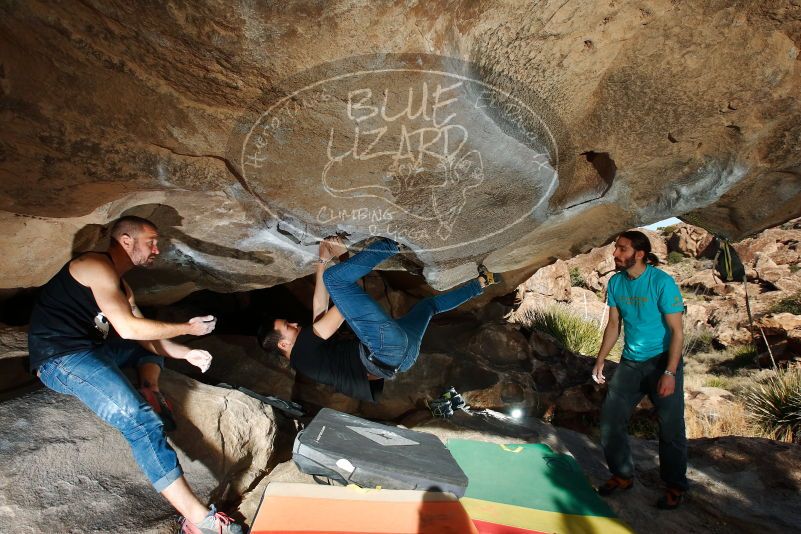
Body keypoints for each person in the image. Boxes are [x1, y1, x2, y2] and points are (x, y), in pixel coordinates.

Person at [28, 216, 242, 534]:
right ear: (127, 240)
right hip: (61, 360)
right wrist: (188, 328)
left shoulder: (121, 283)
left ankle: (149, 388)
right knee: (140, 423)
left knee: (148, 352)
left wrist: (186, 352)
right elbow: (128, 329)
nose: (157, 248)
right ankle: (201, 522)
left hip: (93, 352)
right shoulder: (94, 265)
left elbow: (145, 337)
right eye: (151, 241)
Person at [259, 237, 500, 401]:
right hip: (384, 350)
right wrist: (342, 257)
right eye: (287, 326)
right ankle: (391, 242)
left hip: (402, 359)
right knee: (335, 280)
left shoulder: (307, 355)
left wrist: (322, 259)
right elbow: (342, 307)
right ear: (283, 344)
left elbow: (320, 305)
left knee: (429, 305)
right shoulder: (302, 353)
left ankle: (482, 282)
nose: (294, 323)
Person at [591, 230, 687, 510]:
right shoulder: (616, 283)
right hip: (631, 361)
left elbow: (677, 332)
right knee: (610, 419)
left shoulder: (661, 282)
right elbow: (613, 325)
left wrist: (669, 373)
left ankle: (675, 486)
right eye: (616, 248)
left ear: (640, 254)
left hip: (662, 361)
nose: (615, 253)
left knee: (670, 427)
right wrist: (600, 359)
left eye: (622, 249)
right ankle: (622, 475)